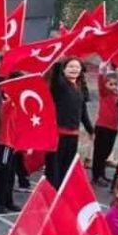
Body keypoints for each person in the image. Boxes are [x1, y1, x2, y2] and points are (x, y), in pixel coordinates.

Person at [45, 56, 91, 186]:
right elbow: (55, 77)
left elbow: (83, 111)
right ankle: (51, 192)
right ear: (64, 69)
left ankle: (61, 191)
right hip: (57, 134)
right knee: (54, 167)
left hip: (73, 135)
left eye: (77, 67)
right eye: (70, 66)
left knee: (67, 167)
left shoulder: (80, 88)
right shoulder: (59, 85)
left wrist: (90, 129)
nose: (74, 69)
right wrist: (57, 61)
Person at [91, 64, 118, 187]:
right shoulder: (105, 93)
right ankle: (96, 176)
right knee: (99, 153)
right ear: (105, 84)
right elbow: (100, 82)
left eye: (115, 84)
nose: (113, 86)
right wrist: (101, 72)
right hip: (103, 126)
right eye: (111, 84)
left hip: (113, 127)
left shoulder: (117, 94)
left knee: (106, 152)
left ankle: (102, 174)